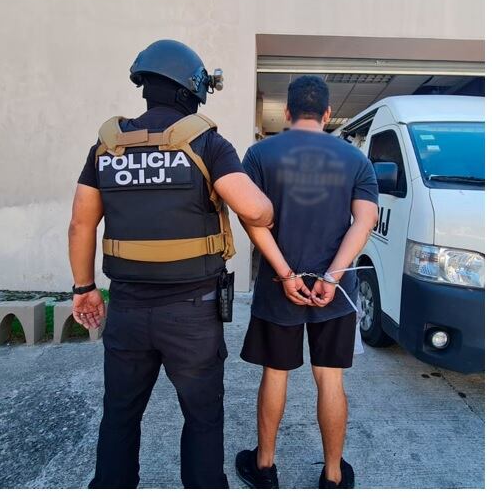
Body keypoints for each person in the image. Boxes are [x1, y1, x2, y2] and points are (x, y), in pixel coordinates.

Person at [67, 40, 275, 489]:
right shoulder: (207, 143)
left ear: (145, 85)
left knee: (120, 414)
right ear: (191, 88)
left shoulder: (106, 148)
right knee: (202, 418)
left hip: (125, 309)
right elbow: (255, 211)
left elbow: (80, 226)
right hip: (192, 314)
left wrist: (83, 288)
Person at [234, 75, 378, 489]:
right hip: (334, 290)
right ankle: (333, 475)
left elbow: (252, 218)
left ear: (288, 112)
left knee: (275, 373)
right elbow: (364, 222)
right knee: (330, 376)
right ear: (329, 114)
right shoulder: (356, 160)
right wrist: (333, 276)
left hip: (280, 286)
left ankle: (264, 468)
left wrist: (284, 273)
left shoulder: (260, 154)